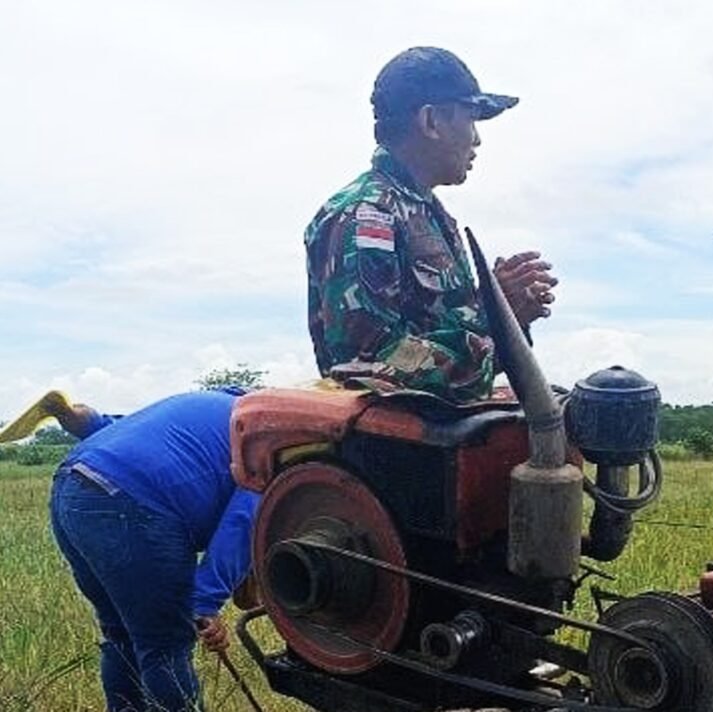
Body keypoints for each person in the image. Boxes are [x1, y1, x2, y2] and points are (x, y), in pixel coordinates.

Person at [305, 46, 557, 403]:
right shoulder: (365, 214)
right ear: (431, 122)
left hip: (440, 440)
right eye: (471, 118)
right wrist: (489, 313)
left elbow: (459, 354)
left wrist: (509, 317)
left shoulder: (430, 215)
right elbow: (367, 367)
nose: (477, 138)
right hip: (388, 451)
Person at [49, 389, 259, 711]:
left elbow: (127, 433)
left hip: (71, 488)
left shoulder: (217, 405)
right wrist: (204, 601)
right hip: (132, 502)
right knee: (164, 646)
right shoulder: (275, 441)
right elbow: (244, 522)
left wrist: (88, 419)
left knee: (121, 635)